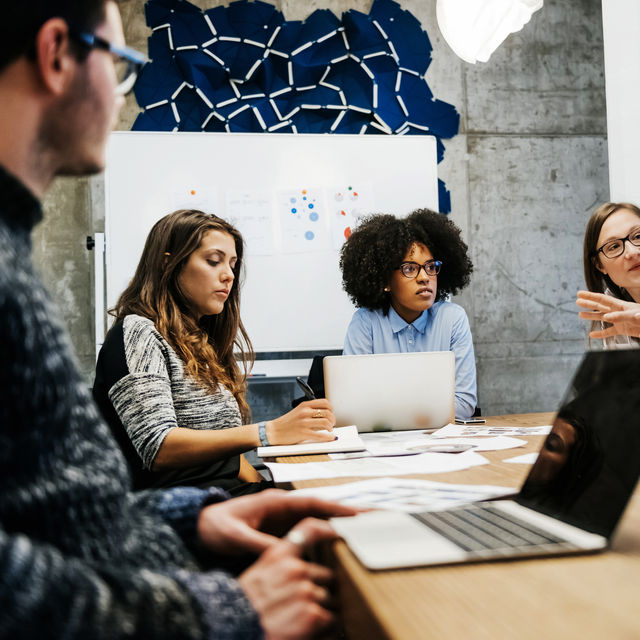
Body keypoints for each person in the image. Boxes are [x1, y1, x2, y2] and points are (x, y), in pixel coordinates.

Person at [0, 2, 358, 638]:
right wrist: (214, 614)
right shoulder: (131, 328)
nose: (118, 93)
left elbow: (60, 514)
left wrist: (186, 520)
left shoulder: (12, 252)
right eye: (119, 65)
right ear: (57, 54)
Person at [93, 208, 336, 492]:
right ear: (166, 265)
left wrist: (268, 486)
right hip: (181, 509)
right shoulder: (138, 332)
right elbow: (158, 447)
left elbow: (224, 453)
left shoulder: (199, 342)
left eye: (232, 264)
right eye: (213, 261)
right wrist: (268, 432)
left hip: (222, 495)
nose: (228, 276)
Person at [339, 209, 477, 419]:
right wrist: (427, 409)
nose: (424, 277)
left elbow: (464, 404)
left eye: (430, 266)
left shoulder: (452, 319)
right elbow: (353, 405)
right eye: (410, 269)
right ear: (385, 281)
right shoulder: (366, 322)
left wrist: (389, 409)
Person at [577, 201, 640, 348]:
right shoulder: (614, 314)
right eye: (614, 246)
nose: (632, 252)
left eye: (638, 236)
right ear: (599, 265)